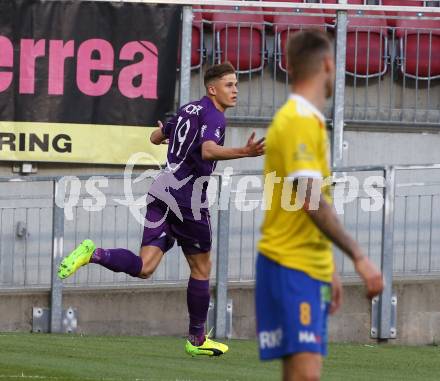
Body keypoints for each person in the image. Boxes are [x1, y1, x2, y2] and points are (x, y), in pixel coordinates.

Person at [58, 62, 265, 357]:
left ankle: (93, 254)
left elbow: (155, 138)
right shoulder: (215, 117)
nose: (235, 91)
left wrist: (166, 135)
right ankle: (196, 340)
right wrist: (244, 152)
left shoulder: (187, 110)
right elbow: (207, 150)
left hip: (160, 190)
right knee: (202, 268)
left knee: (146, 267)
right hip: (188, 200)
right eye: (229, 85)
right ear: (212, 89)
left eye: (236, 85)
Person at [255, 30, 384, 381]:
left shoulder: (306, 120)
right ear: (328, 64)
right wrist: (359, 256)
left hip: (303, 265)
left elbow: (302, 202)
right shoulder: (297, 120)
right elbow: (312, 200)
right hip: (289, 264)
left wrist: (326, 265)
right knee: (305, 376)